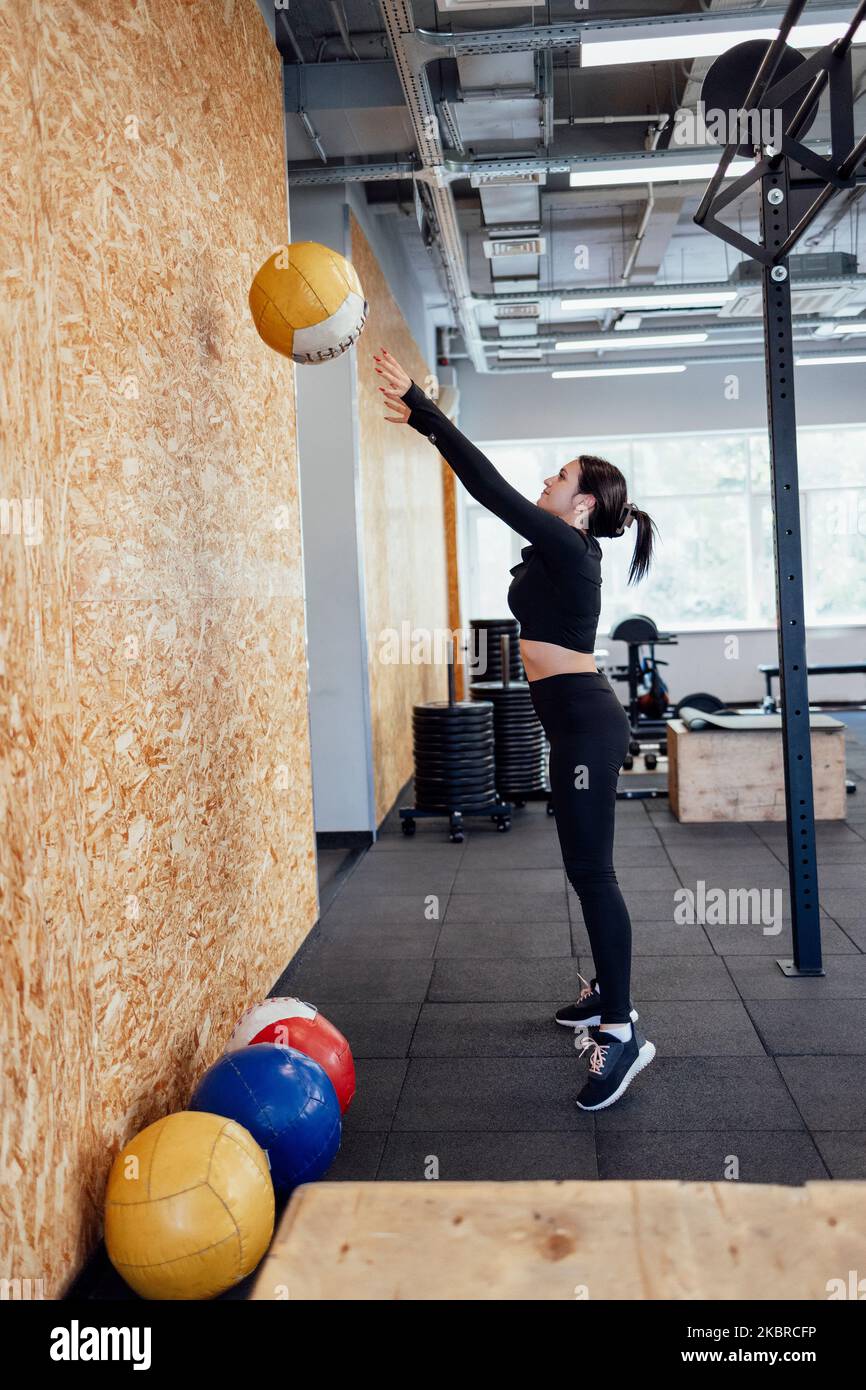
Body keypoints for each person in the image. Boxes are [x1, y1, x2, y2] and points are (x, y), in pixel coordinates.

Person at [374, 347, 657, 1111]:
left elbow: (489, 487)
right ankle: (606, 991)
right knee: (581, 869)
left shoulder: (572, 548)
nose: (546, 481)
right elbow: (505, 496)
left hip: (586, 725)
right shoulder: (561, 548)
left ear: (584, 504)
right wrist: (427, 424)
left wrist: (429, 414)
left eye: (559, 478)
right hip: (568, 721)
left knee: (593, 873)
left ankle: (623, 1033)